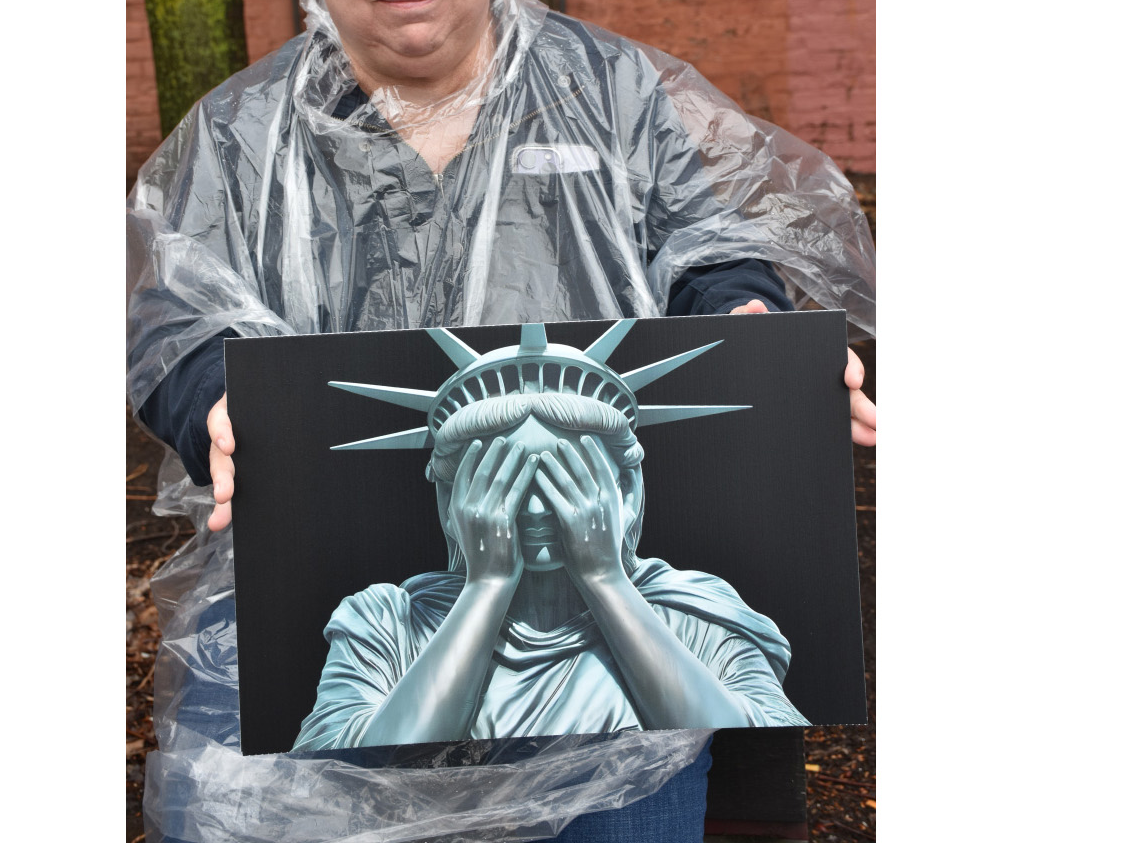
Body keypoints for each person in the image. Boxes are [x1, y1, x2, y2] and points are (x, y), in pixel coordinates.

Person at [128, 0, 876, 843]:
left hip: (616, 719)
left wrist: (754, 338)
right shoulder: (242, 135)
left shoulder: (609, 92)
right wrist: (212, 395)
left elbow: (709, 249)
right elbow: (172, 314)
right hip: (321, 608)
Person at [294, 322, 810, 754]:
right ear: (449, 504)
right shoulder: (386, 621)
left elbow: (755, 743)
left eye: (563, 476)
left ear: (625, 491)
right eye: (507, 480)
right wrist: (486, 586)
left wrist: (605, 580)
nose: (537, 508)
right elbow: (347, 770)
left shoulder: (693, 612)